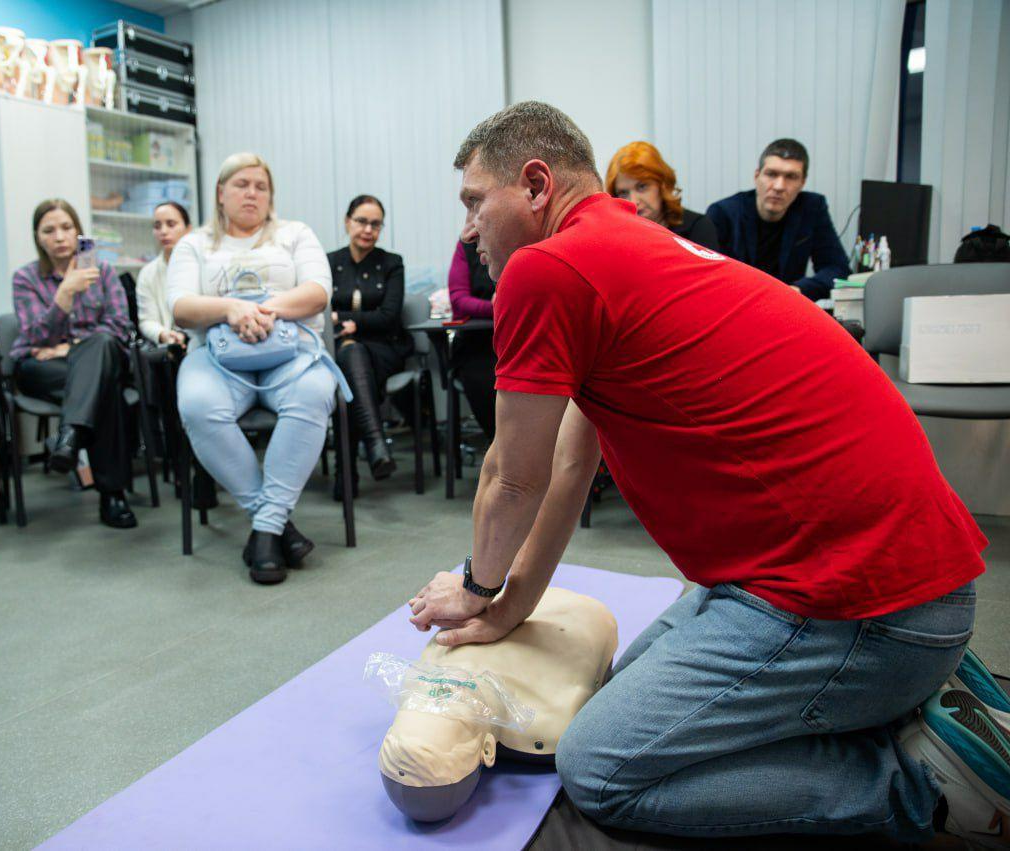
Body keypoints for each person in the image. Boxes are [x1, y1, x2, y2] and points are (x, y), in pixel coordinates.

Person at [408, 102, 1001, 846]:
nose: (467, 229)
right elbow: (569, 461)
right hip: (887, 586)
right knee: (616, 696)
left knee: (602, 767)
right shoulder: (628, 245)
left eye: (473, 202)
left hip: (868, 610)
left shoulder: (546, 267)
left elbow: (510, 476)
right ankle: (896, 704)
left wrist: (475, 586)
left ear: (534, 185)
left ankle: (920, 785)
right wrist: (509, 603)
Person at [168, 152, 334, 585]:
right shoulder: (194, 244)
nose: (252, 193)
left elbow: (317, 292)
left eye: (261, 186)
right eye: (241, 184)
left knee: (315, 393)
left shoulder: (295, 234)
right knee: (198, 405)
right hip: (216, 358)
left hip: (291, 350)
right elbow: (181, 308)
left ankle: (264, 532)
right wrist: (231, 309)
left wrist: (259, 311)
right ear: (221, 193)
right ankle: (274, 522)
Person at [10, 198, 137, 529]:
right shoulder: (25, 278)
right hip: (43, 370)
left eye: (66, 227)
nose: (59, 236)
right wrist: (63, 295)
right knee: (100, 385)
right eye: (49, 230)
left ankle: (70, 434)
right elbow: (34, 336)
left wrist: (71, 347)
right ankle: (113, 496)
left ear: (78, 231)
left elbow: (119, 327)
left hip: (91, 360)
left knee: (102, 356)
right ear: (38, 237)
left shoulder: (103, 271)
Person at [327, 194, 410, 492]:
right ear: (347, 222)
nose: (368, 229)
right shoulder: (329, 263)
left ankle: (345, 473)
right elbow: (323, 314)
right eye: (361, 221)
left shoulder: (391, 264)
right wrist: (351, 320)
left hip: (384, 348)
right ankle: (375, 446)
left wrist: (348, 320)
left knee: (347, 377)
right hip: (339, 348)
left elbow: (389, 317)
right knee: (349, 362)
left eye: (376, 224)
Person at [706, 139, 850, 301]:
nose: (779, 186)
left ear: (802, 182)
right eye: (771, 174)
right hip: (737, 305)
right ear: (757, 176)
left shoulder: (812, 208)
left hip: (787, 306)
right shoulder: (723, 213)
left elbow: (837, 268)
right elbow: (710, 276)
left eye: (791, 177)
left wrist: (799, 289)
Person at [604, 141, 719, 250]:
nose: (633, 201)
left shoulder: (697, 227)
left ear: (662, 185)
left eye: (642, 187)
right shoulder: (615, 236)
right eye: (623, 193)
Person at [446, 239, 496, 442]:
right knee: (483, 378)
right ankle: (502, 451)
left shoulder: (525, 238)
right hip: (479, 344)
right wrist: (495, 307)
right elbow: (458, 300)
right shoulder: (467, 245)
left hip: (524, 337)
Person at [136, 201, 192, 349]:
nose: (163, 231)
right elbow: (147, 320)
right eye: (157, 226)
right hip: (167, 347)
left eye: (171, 224)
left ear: (188, 229)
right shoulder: (148, 273)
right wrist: (163, 334)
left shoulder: (203, 266)